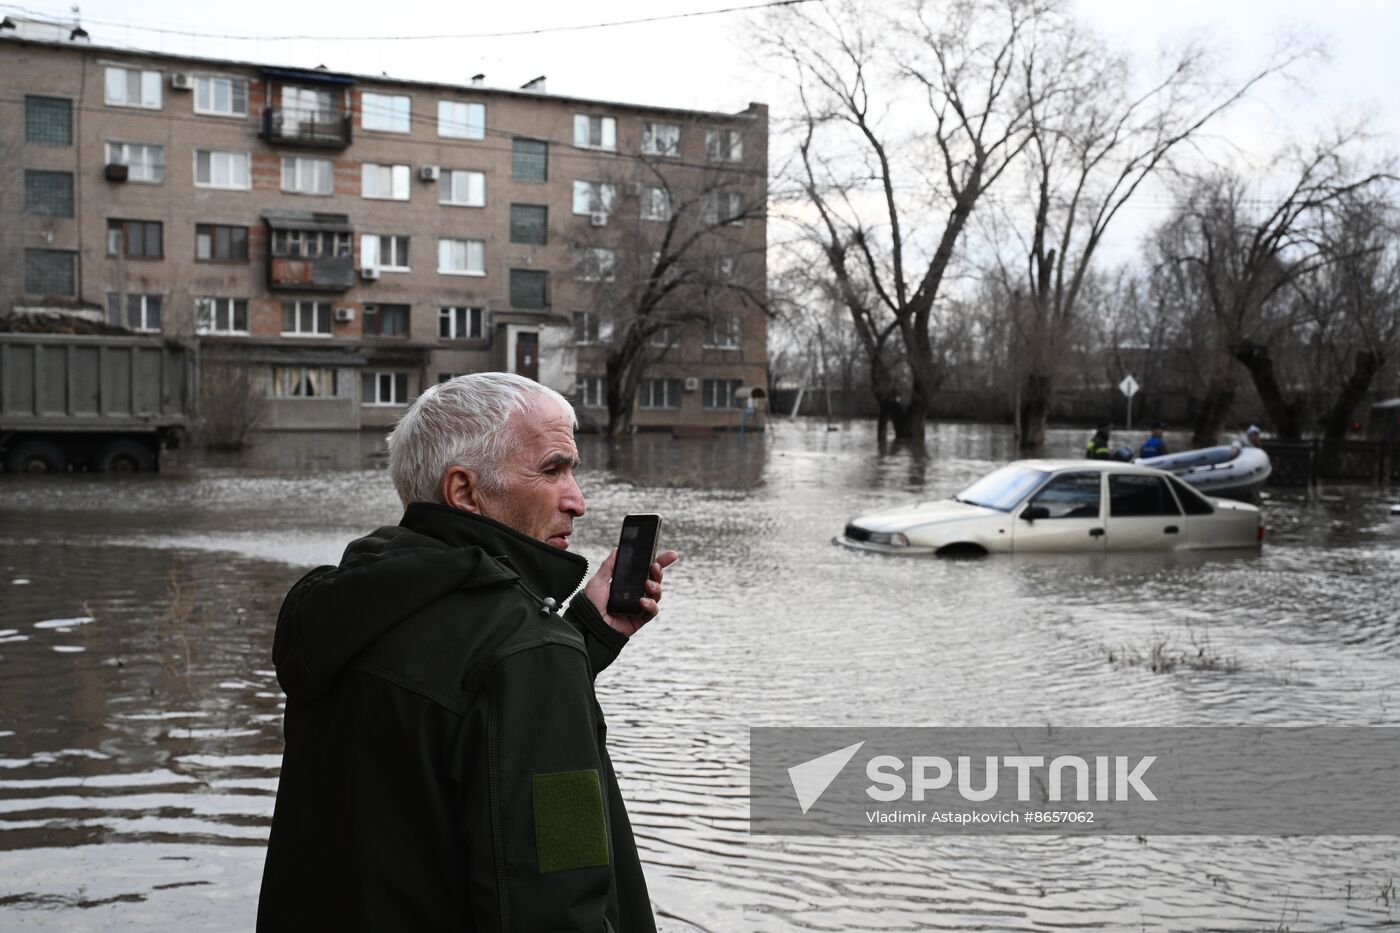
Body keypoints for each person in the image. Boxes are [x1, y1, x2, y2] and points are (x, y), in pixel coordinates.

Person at [257, 372, 677, 932]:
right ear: (465, 492)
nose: (578, 500)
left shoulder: (348, 612)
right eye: (553, 470)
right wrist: (549, 656)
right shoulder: (527, 655)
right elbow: (559, 892)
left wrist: (585, 637)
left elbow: (445, 723)